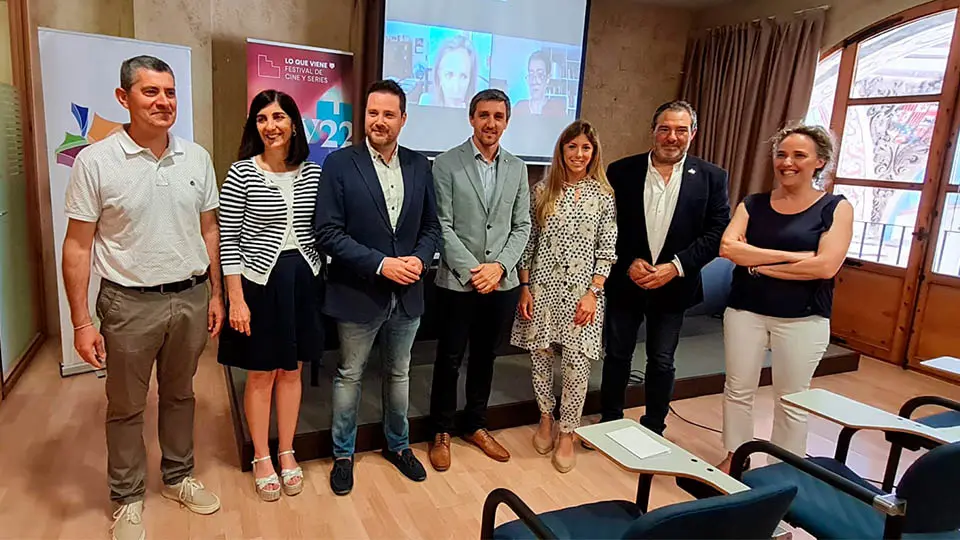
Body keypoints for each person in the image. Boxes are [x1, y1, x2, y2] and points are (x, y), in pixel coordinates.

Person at [61, 55, 223, 540]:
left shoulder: (196, 158)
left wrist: (215, 293)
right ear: (123, 97)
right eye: (150, 91)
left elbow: (209, 230)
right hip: (127, 304)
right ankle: (128, 498)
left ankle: (177, 476)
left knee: (180, 395)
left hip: (191, 297)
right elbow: (77, 246)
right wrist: (81, 322)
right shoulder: (95, 161)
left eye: (170, 92)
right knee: (126, 406)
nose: (163, 101)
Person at [315, 79, 442, 495]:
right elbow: (327, 232)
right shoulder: (339, 164)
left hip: (408, 294)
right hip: (358, 291)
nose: (379, 121)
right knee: (349, 375)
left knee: (399, 373)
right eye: (373, 113)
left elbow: (431, 227)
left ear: (403, 119)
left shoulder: (420, 165)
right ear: (364, 116)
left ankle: (398, 445)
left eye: (389, 114)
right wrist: (382, 264)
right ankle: (343, 455)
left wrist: (420, 259)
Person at [716, 124, 853, 472]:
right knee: (737, 389)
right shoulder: (753, 204)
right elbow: (728, 248)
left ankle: (784, 468)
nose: (787, 162)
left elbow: (825, 267)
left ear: (819, 162)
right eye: (781, 154)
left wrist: (756, 262)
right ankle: (736, 456)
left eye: (798, 155)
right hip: (746, 310)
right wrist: (794, 258)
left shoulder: (835, 207)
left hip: (804, 317)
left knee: (792, 399)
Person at [600, 100, 730, 436]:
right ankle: (609, 421)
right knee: (617, 355)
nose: (672, 137)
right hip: (626, 282)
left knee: (661, 359)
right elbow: (607, 225)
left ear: (693, 133)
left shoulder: (712, 177)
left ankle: (654, 427)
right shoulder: (621, 171)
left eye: (680, 130)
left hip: (674, 286)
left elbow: (717, 231)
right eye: (665, 129)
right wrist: (627, 262)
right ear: (653, 132)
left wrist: (675, 267)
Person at [217, 90, 323, 501]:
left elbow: (322, 230)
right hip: (258, 283)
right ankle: (261, 455)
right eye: (262, 119)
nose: (270, 126)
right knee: (261, 372)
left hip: (303, 280)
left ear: (294, 124)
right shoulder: (242, 172)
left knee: (292, 371)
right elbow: (229, 240)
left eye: (278, 117)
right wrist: (235, 298)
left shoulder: (313, 173)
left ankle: (287, 450)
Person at [427, 89, 531, 472]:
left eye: (498, 116)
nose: (491, 123)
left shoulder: (518, 168)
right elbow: (442, 226)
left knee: (485, 357)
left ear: (507, 121)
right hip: (459, 282)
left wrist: (499, 268)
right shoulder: (445, 164)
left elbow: (522, 226)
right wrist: (475, 270)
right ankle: (440, 430)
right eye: (484, 115)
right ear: (471, 118)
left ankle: (475, 424)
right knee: (449, 359)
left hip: (500, 284)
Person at [511, 119, 617, 473]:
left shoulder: (603, 196)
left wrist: (593, 292)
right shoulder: (542, 191)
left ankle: (568, 431)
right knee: (540, 357)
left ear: (594, 152)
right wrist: (525, 287)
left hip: (583, 296)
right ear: (561, 150)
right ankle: (546, 417)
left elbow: (607, 250)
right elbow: (529, 243)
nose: (578, 154)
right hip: (542, 290)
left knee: (577, 364)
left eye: (586, 147)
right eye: (572, 147)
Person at [419, 35, 477, 109]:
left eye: (463, 77)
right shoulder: (425, 102)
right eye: (449, 75)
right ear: (439, 76)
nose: (456, 88)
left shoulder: (477, 109)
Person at [513, 51, 567, 118]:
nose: (534, 81)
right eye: (531, 74)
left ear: (548, 78)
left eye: (540, 74)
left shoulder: (557, 110)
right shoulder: (519, 107)